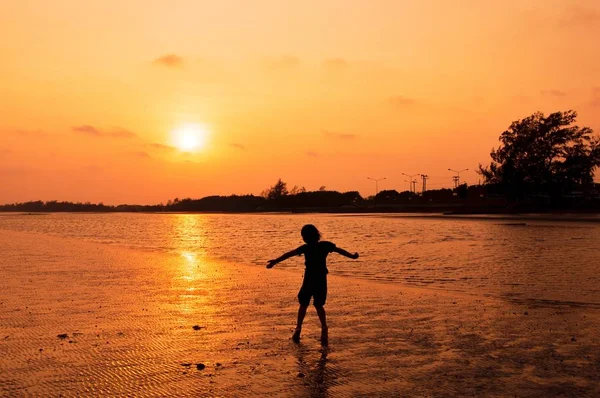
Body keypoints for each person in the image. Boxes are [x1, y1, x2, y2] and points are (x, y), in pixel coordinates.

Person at [267, 224, 359, 345]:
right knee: (318, 305)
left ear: (306, 237)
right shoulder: (325, 245)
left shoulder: (306, 248)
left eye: (303, 236)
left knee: (304, 304)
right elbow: (340, 251)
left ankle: (299, 327)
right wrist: (352, 256)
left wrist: (275, 261)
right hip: (320, 279)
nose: (303, 238)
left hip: (309, 279)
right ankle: (323, 328)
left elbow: (289, 254)